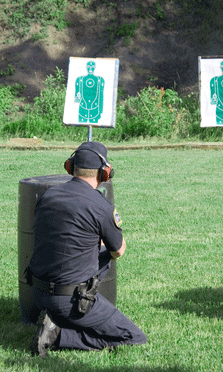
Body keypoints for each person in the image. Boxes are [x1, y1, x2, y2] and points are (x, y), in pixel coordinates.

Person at [27, 141, 147, 357]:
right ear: (105, 173)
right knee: (134, 338)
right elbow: (118, 250)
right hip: (72, 301)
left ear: (70, 167)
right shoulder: (101, 206)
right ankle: (58, 335)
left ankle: (55, 320)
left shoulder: (47, 196)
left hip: (37, 292)